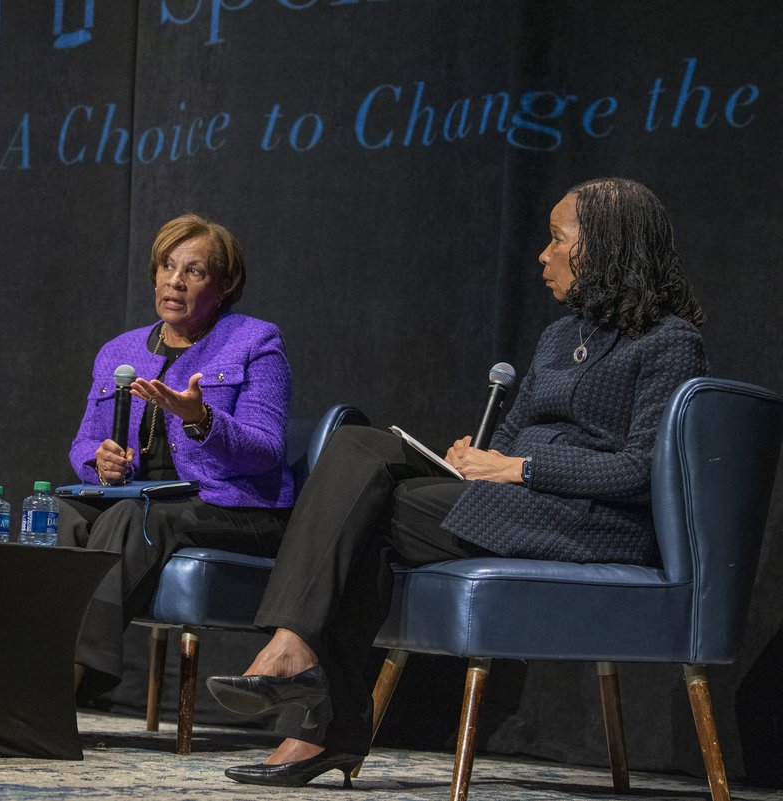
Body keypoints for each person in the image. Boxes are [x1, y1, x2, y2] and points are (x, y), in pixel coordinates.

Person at [206, 178, 710, 787]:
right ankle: (299, 665)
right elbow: (514, 437)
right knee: (362, 448)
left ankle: (310, 696)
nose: (542, 255)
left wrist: (517, 467)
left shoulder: (670, 341)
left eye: (556, 239)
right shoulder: (560, 336)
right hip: (516, 504)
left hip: (592, 521)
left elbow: (641, 471)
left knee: (367, 512)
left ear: (604, 246)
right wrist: (479, 458)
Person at [61, 212, 294, 699]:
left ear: (224, 284)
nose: (174, 281)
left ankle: (70, 682)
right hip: (145, 494)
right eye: (167, 267)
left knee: (130, 517)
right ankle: (24, 659)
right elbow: (84, 444)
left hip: (235, 505)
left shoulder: (256, 341)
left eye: (194, 271)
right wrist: (98, 462)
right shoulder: (118, 351)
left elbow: (267, 450)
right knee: (60, 516)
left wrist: (202, 420)